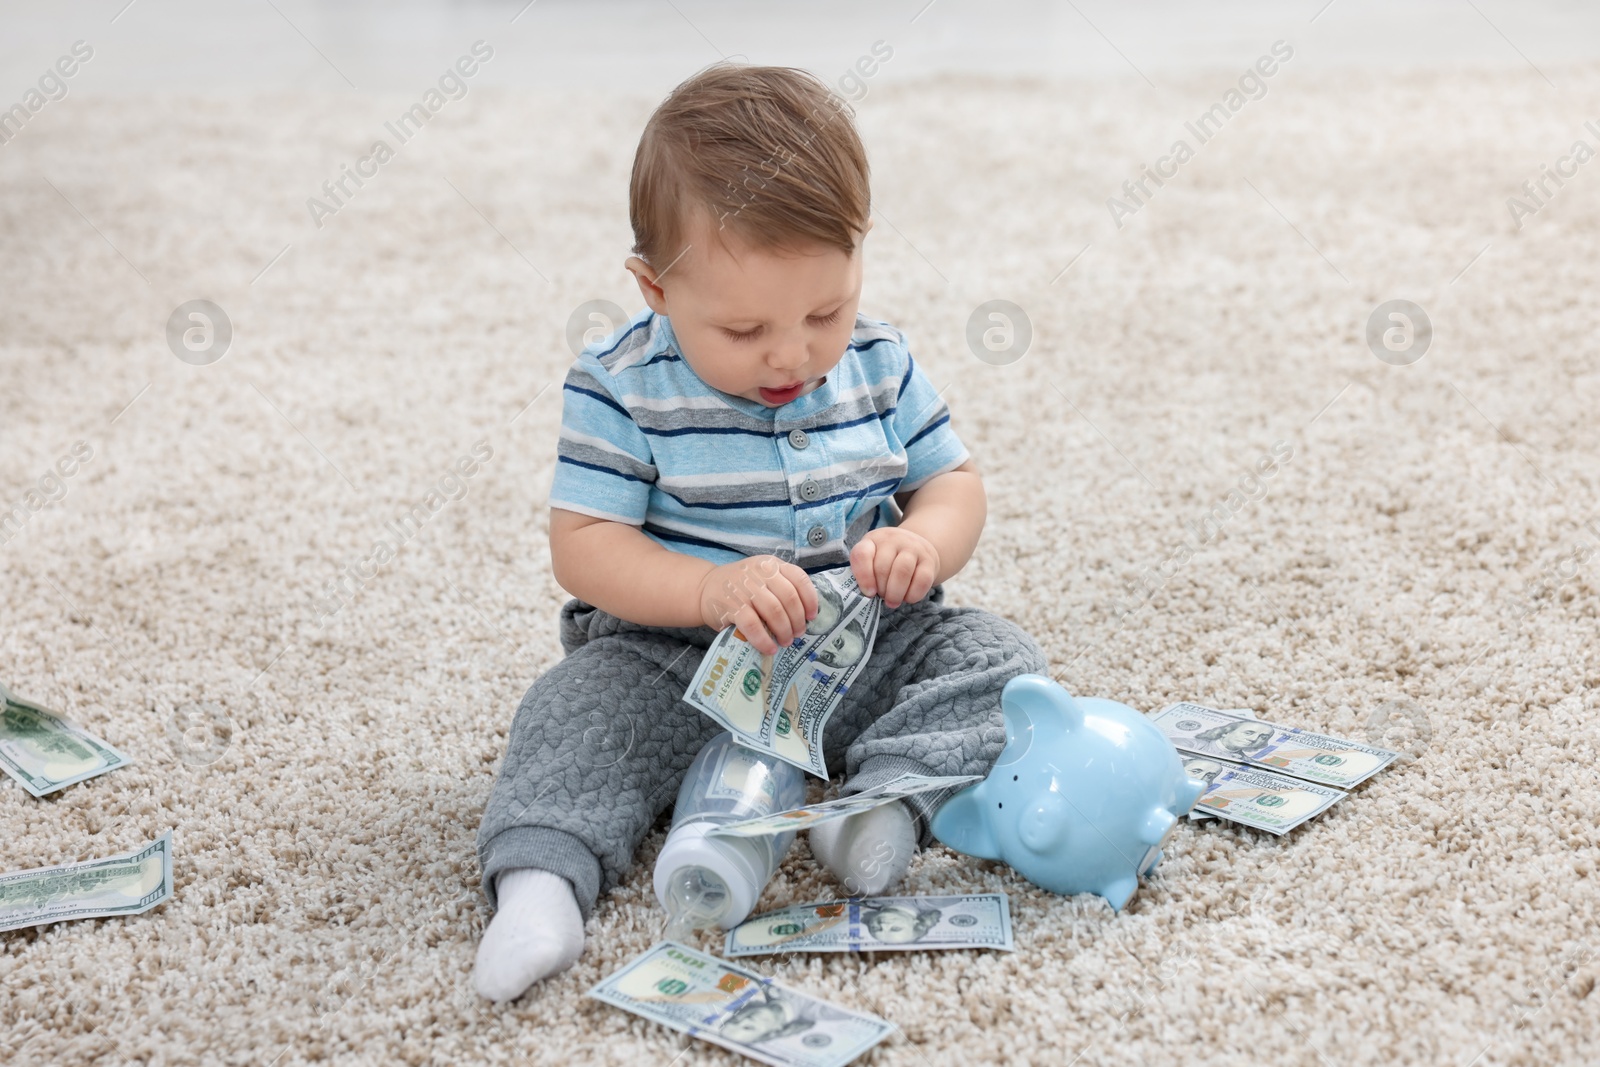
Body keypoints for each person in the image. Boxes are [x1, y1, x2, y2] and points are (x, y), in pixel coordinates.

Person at [472, 62, 1047, 1002]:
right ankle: (540, 886)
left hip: (866, 641)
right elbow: (585, 544)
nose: (792, 353)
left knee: (1002, 664)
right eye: (742, 330)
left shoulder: (879, 359)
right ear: (655, 290)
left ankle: (880, 805)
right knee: (569, 717)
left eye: (825, 310)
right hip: (678, 658)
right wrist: (707, 591)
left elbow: (954, 480)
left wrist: (925, 544)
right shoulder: (620, 386)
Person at [1184, 721, 1275, 760]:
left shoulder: (1248, 761)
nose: (1254, 739)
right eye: (1248, 733)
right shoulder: (1190, 744)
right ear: (1226, 732)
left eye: (1263, 737)